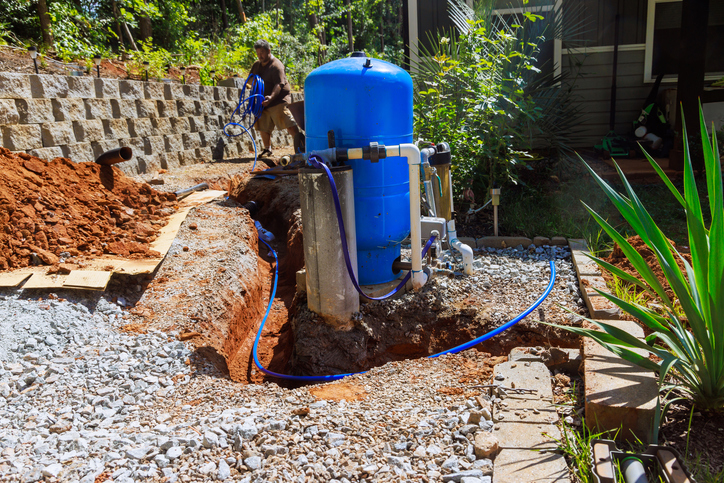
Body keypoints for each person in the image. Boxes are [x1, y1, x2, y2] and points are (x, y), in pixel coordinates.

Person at [249, 39, 300, 158]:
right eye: (257, 53)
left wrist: (271, 97)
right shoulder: (257, 65)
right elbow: (250, 79)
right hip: (262, 100)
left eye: (262, 52)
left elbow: (279, 84)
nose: (260, 56)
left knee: (289, 123)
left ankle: (300, 148)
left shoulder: (276, 66)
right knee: (263, 125)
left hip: (278, 100)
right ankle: (267, 150)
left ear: (268, 51)